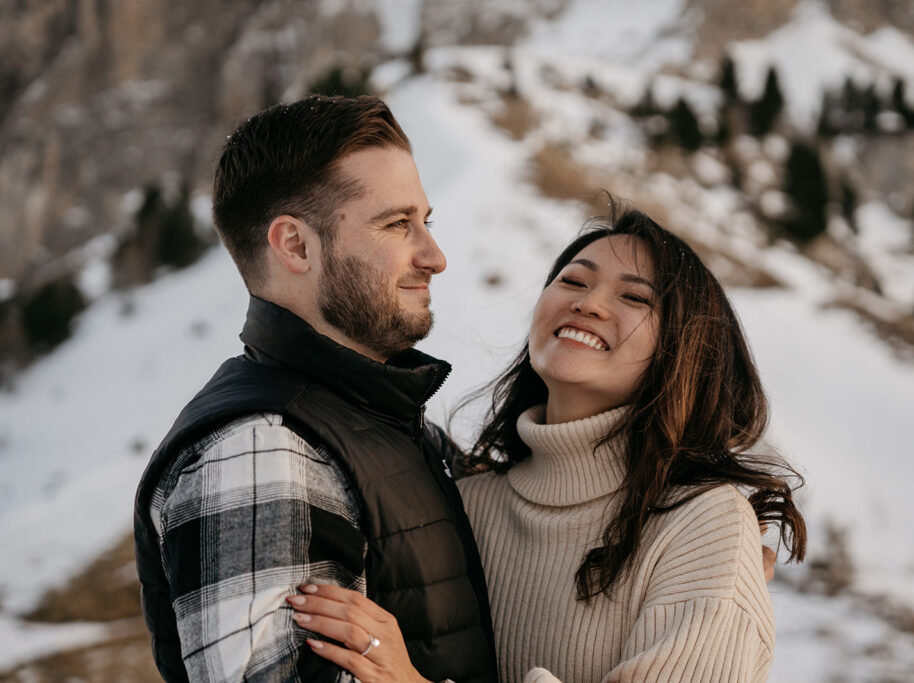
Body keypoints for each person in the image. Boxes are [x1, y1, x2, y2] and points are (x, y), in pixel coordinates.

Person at [290, 207, 806, 682]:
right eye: (573, 280)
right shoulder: (466, 502)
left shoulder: (702, 523)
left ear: (682, 351)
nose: (588, 303)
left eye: (633, 297)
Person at [132, 95, 497, 683]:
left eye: (427, 223)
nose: (435, 256)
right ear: (295, 245)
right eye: (398, 224)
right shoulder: (259, 450)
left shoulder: (389, 422)